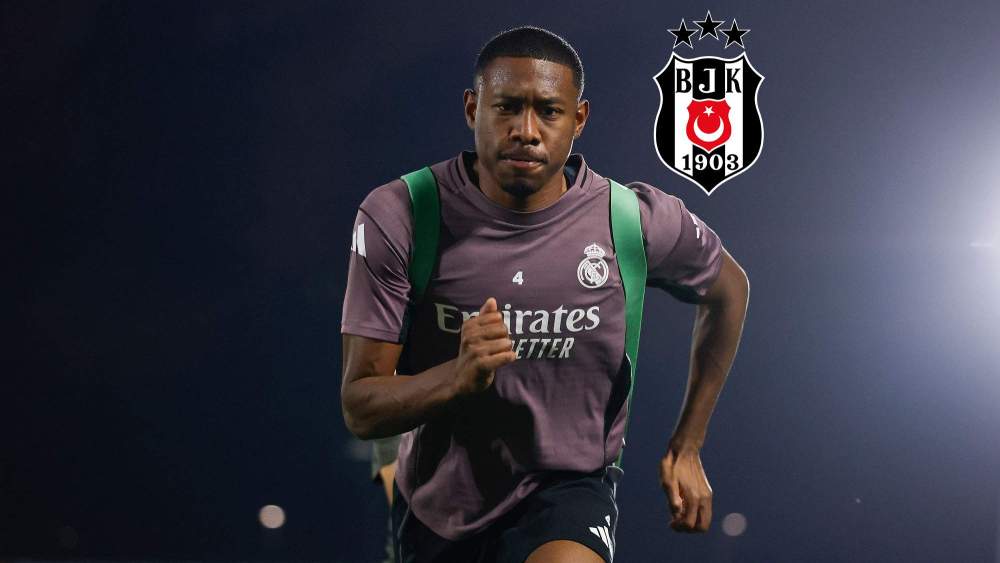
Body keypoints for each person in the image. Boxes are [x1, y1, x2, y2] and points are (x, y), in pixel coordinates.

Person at [341, 25, 749, 563]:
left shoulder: (631, 221)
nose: (526, 131)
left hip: (569, 489)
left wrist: (688, 444)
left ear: (578, 120)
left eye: (549, 112)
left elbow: (729, 291)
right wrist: (456, 377)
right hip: (438, 506)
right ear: (472, 109)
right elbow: (361, 408)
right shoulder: (402, 215)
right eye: (507, 107)